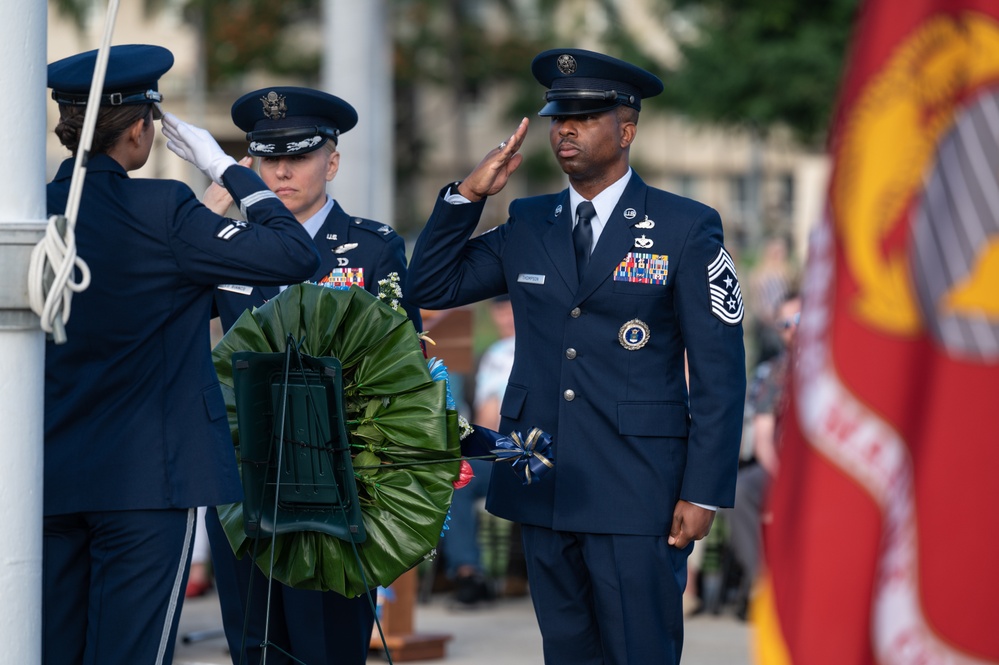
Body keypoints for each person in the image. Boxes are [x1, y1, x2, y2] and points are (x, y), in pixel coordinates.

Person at [406, 48, 747, 664]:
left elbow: (721, 374)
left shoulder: (684, 227)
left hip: (637, 486)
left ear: (627, 128)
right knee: (567, 652)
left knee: (639, 651)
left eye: (586, 117)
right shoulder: (531, 219)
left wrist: (704, 492)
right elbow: (431, 286)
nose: (565, 129)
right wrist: (466, 195)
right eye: (559, 116)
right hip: (545, 477)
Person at [43, 45, 320, 665]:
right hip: (147, 482)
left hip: (48, 478)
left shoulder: (32, 213)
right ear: (142, 127)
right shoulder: (164, 212)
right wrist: (225, 167)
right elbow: (296, 255)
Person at [202, 85, 421, 665]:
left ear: (333, 160)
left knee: (327, 647)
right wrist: (205, 215)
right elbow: (153, 305)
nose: (281, 170)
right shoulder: (226, 245)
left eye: (297, 155)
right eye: (267, 157)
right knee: (254, 646)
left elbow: (405, 369)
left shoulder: (372, 249)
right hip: (242, 481)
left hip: (336, 481)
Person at [725, 290, 800, 620]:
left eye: (799, 320)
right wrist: (784, 476)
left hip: (825, 470)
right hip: (780, 468)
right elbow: (764, 439)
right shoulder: (772, 374)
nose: (793, 329)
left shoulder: (835, 367)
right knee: (739, 492)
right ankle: (764, 583)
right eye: (785, 323)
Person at [441, 295, 515, 606]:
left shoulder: (544, 348)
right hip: (493, 452)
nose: (504, 320)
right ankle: (469, 573)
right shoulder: (493, 354)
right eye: (499, 313)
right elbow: (481, 414)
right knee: (455, 477)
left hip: (529, 453)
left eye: (509, 313)